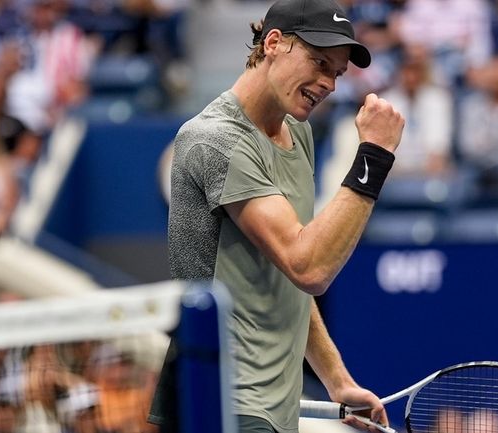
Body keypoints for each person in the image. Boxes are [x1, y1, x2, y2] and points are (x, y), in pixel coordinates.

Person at [149, 0, 405, 432]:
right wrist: (374, 158)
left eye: (337, 74)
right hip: (222, 400)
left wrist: (337, 381)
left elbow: (287, 283)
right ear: (273, 43)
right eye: (318, 62)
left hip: (273, 407)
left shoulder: (298, 133)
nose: (327, 83)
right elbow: (308, 266)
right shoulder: (214, 140)